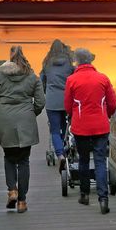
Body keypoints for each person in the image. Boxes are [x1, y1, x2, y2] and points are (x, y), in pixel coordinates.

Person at [0, 45, 45, 214]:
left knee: (9, 158)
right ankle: (22, 202)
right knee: (24, 161)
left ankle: (12, 190)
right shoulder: (32, 76)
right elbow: (41, 101)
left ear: (9, 57)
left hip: (5, 118)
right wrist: (31, 113)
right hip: (25, 119)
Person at [62, 47, 116, 214]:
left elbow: (67, 105)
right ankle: (103, 198)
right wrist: (104, 115)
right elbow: (112, 103)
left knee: (84, 160)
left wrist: (75, 116)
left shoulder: (72, 80)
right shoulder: (103, 78)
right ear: (91, 61)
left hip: (81, 127)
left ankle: (84, 194)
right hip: (101, 126)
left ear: (77, 61)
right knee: (100, 161)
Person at [40, 39, 75, 171]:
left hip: (52, 101)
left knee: (54, 129)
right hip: (67, 101)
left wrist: (45, 92)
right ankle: (65, 148)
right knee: (66, 127)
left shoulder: (47, 64)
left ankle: (60, 154)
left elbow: (41, 81)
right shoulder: (69, 64)